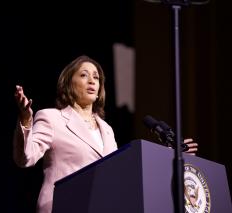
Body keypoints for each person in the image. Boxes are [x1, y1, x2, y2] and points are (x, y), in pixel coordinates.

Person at [13, 55, 198, 213]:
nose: (92, 81)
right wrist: (26, 120)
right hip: (62, 207)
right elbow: (25, 158)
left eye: (96, 77)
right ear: (68, 83)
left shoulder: (107, 130)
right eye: (84, 75)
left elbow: (120, 174)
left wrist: (170, 156)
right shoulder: (51, 117)